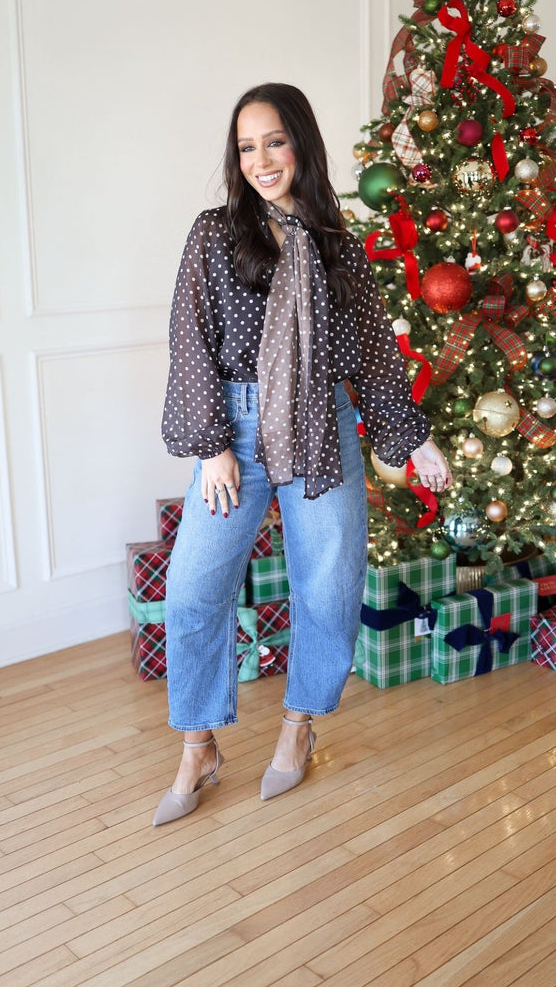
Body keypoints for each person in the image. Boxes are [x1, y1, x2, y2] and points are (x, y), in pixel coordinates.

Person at [154, 83, 451, 826]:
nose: (261, 159)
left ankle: (299, 724)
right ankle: (199, 744)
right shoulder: (213, 235)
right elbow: (188, 340)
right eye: (247, 146)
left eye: (275, 141)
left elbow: (376, 357)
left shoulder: (337, 246)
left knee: (327, 585)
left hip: (324, 425)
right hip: (237, 433)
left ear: (302, 146)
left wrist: (415, 440)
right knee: (191, 591)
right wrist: (214, 445)